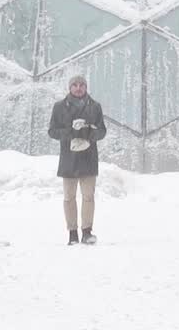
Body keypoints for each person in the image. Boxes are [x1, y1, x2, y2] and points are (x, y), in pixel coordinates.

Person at [48, 75, 107, 245]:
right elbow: (52, 131)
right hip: (69, 158)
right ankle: (72, 233)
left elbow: (102, 131)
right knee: (69, 197)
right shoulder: (59, 107)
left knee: (88, 196)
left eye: (82, 85)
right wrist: (70, 132)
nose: (78, 88)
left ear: (86, 87)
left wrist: (90, 132)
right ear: (69, 87)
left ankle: (87, 232)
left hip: (89, 157)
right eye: (75, 85)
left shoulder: (95, 107)